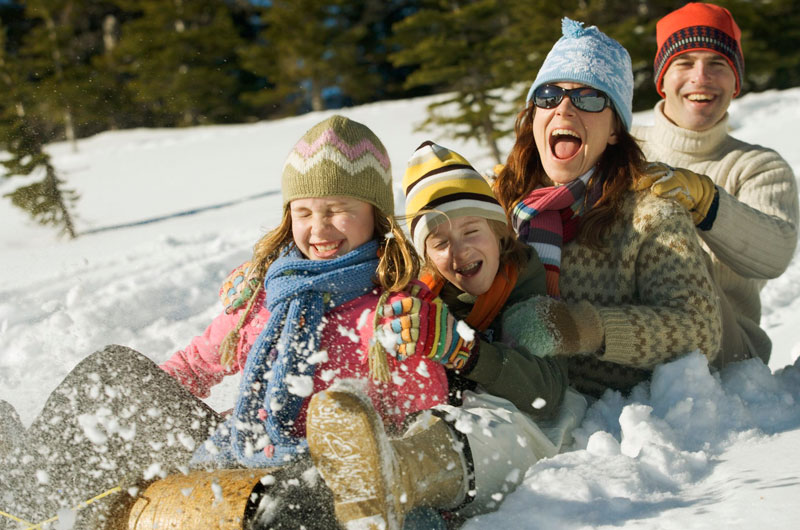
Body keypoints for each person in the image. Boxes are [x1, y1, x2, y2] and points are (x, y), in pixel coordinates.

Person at [0, 115, 450, 530]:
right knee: (111, 374)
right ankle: (24, 496)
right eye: (304, 212)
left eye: (338, 209)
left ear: (375, 212)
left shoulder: (393, 309)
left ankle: (25, 493)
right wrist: (136, 410)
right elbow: (196, 365)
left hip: (312, 475)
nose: (320, 228)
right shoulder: (267, 294)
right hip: (235, 446)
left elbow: (418, 425)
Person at [306, 141, 588, 530]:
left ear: (498, 233)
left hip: (517, 430)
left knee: (498, 428)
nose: (459, 251)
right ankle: (297, 497)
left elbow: (546, 395)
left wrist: (463, 351)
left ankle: (395, 476)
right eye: (439, 242)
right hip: (436, 427)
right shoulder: (423, 294)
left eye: (471, 231)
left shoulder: (524, 285)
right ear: (427, 255)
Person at [489, 17, 722, 398]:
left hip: (604, 420)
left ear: (615, 129)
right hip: (501, 390)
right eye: (549, 95)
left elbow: (700, 331)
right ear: (534, 116)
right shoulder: (498, 202)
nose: (564, 110)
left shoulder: (651, 216)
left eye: (589, 98)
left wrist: (581, 328)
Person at [632, 2, 798, 366]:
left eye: (717, 64)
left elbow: (776, 253)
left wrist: (707, 204)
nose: (701, 77)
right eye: (685, 62)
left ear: (735, 81)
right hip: (625, 332)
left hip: (725, 350)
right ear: (662, 78)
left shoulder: (757, 167)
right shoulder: (623, 147)